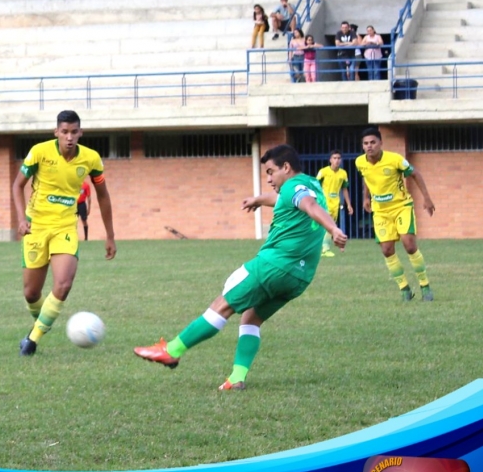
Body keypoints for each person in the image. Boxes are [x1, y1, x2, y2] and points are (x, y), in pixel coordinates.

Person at [134, 145, 347, 391]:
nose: (268, 179)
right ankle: (237, 377)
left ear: (286, 168)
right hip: (300, 277)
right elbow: (291, 200)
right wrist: (259, 200)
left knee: (222, 305)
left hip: (273, 266)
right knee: (251, 319)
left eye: (271, 172)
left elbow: (309, 206)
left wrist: (333, 229)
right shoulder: (311, 184)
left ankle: (172, 350)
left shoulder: (293, 187)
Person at [13, 110, 116, 356]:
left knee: (63, 284)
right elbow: (17, 185)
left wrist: (110, 234)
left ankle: (32, 340)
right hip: (36, 226)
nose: (69, 137)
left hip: (65, 227)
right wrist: (20, 220)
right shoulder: (40, 152)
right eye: (64, 132)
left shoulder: (91, 159)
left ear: (80, 133)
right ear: (56, 132)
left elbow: (103, 195)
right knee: (31, 293)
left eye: (74, 132)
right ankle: (41, 322)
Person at [355, 127, 435, 301]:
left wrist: (427, 199)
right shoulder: (360, 162)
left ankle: (425, 286)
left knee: (409, 244)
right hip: (381, 212)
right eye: (366, 143)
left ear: (380, 143)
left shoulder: (395, 160)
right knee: (387, 249)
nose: (369, 146)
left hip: (401, 206)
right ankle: (405, 290)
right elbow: (367, 177)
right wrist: (366, 197)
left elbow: (415, 174)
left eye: (373, 142)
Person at [316, 150, 354, 257]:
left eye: (338, 158)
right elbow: (315, 186)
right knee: (326, 226)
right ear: (330, 160)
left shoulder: (343, 173)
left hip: (335, 204)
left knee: (330, 226)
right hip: (323, 203)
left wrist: (349, 204)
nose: (337, 160)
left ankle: (325, 249)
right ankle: (324, 248)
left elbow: (344, 189)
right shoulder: (323, 172)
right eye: (334, 158)